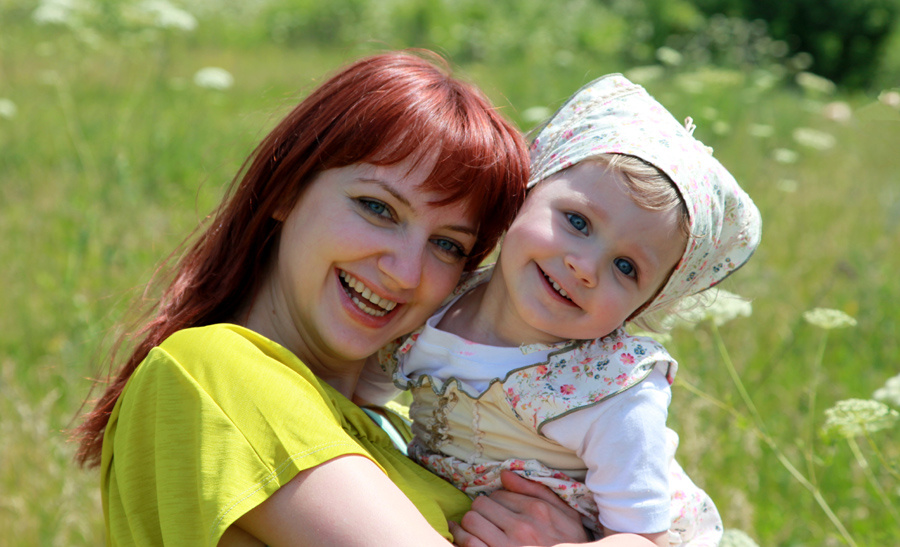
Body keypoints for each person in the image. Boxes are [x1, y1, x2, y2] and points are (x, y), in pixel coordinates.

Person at [357, 74, 763, 546]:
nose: (585, 267)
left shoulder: (613, 391)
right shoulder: (439, 300)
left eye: (626, 267)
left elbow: (640, 539)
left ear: (644, 305)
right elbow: (360, 396)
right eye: (577, 221)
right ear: (525, 191)